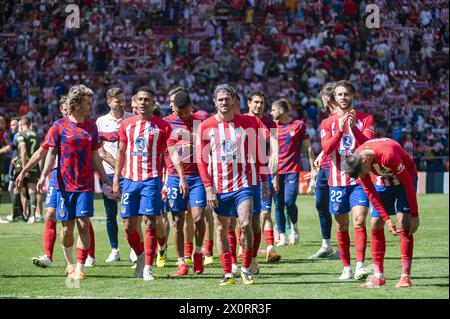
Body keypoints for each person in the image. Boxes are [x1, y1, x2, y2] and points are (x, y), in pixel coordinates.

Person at [196, 84, 270, 286]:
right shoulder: (206, 126)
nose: (224, 103)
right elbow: (201, 161)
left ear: (234, 101)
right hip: (219, 188)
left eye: (227, 99)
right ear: (215, 102)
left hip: (243, 185)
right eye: (220, 99)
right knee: (221, 229)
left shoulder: (248, 122)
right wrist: (208, 188)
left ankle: (246, 268)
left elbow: (258, 153)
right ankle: (228, 273)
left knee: (245, 224)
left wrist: (264, 181)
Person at [36, 85, 112, 280]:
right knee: (67, 228)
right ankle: (69, 263)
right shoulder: (59, 126)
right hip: (63, 185)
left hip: (85, 185)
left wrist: (105, 180)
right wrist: (44, 175)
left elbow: (96, 157)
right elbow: (51, 153)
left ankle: (79, 267)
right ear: (77, 104)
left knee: (83, 225)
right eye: (88, 103)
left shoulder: (91, 127)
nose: (91, 106)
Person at [113, 87, 174, 281]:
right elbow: (121, 152)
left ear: (153, 102)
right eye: (140, 99)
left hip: (152, 180)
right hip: (129, 180)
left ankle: (148, 267)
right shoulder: (127, 125)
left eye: (147, 99)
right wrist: (116, 178)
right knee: (128, 226)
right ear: (135, 102)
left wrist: (170, 179)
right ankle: (140, 256)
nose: (143, 102)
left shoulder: (163, 126)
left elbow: (169, 154)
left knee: (150, 222)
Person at [343, 138, 419, 288]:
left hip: (405, 181)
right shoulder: (358, 159)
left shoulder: (388, 154)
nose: (361, 177)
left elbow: (408, 183)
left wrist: (415, 215)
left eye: (361, 174)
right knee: (376, 223)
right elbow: (371, 193)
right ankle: (378, 276)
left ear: (365, 162)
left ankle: (405, 277)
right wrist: (386, 219)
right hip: (383, 182)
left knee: (404, 223)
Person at [320, 80, 375, 280]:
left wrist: (353, 128)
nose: (343, 98)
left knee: (359, 220)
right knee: (342, 226)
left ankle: (360, 265)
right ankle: (346, 267)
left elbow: (369, 144)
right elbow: (326, 149)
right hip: (337, 181)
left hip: (360, 179)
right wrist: (342, 129)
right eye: (340, 94)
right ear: (334, 98)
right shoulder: (327, 123)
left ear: (353, 96)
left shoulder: (366, 119)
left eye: (347, 94)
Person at [163, 90, 208, 276]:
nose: (182, 115)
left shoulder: (202, 117)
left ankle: (198, 253)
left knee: (198, 217)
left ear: (191, 105)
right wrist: (180, 177)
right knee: (177, 220)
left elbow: (207, 142)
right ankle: (181, 262)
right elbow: (172, 151)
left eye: (185, 111)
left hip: (198, 175)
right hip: (175, 176)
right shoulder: (167, 122)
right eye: (179, 113)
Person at [96, 87, 133, 263]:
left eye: (122, 99)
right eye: (117, 100)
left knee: (130, 213)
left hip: (130, 174)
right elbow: (101, 152)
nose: (120, 103)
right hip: (109, 174)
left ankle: (134, 249)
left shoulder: (132, 119)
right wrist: (120, 167)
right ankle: (114, 249)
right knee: (110, 213)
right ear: (109, 102)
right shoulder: (101, 122)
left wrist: (126, 169)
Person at [271, 98, 314, 246]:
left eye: (273, 110)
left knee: (289, 202)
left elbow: (308, 146)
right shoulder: (272, 127)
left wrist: (313, 167)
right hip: (276, 171)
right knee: (278, 205)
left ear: (281, 110)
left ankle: (294, 229)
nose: (271, 113)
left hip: (292, 170)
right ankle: (282, 236)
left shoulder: (298, 125)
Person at [245, 90, 281, 265]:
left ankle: (270, 248)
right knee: (243, 216)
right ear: (249, 103)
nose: (259, 106)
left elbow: (274, 147)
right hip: (243, 174)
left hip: (264, 173)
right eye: (256, 102)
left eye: (262, 103)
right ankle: (243, 249)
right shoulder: (241, 121)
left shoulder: (270, 124)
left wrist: (274, 175)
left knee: (265, 212)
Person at [308, 83, 340, 260]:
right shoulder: (327, 119)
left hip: (337, 166)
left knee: (339, 208)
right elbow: (328, 145)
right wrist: (321, 154)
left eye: (322, 98)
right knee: (321, 203)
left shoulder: (342, 118)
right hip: (325, 165)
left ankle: (342, 248)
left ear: (326, 99)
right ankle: (326, 245)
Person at [13, 116, 41, 224]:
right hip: (33, 164)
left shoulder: (20, 135)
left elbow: (23, 151)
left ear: (23, 125)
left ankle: (16, 215)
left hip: (22, 164)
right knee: (32, 190)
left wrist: (24, 168)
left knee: (17, 189)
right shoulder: (36, 135)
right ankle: (32, 216)